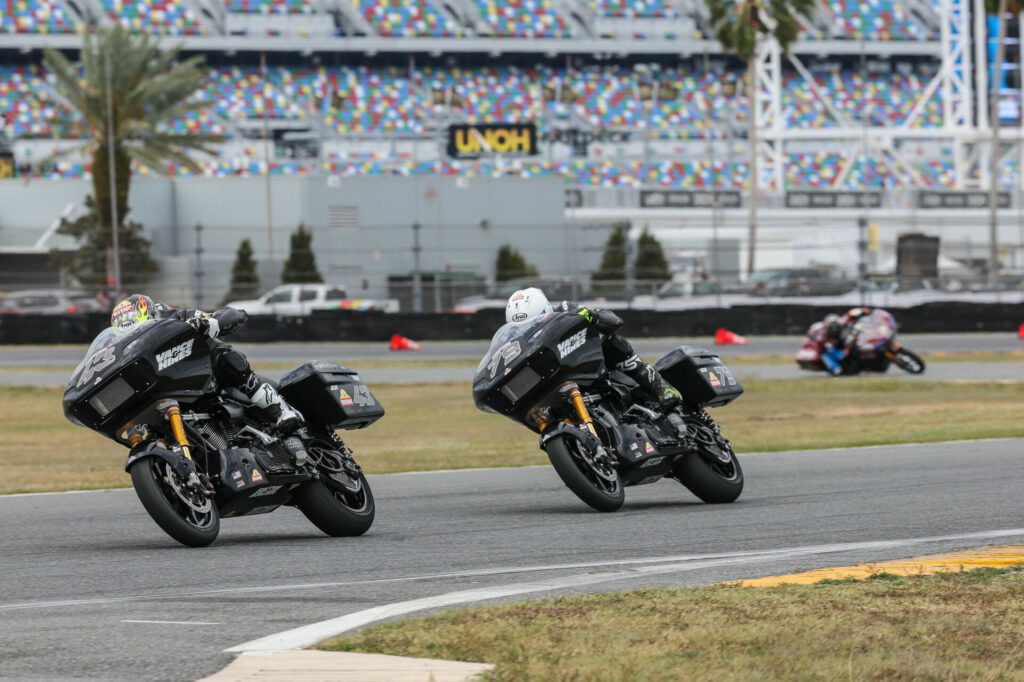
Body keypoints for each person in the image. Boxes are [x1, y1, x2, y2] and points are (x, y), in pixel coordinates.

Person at [109, 294, 304, 433]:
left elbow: (233, 315)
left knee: (229, 361)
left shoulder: (176, 317)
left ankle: (282, 411)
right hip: (170, 389)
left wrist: (208, 323)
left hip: (205, 375)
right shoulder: (129, 350)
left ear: (152, 315)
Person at [505, 288, 687, 436]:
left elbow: (614, 321)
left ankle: (663, 389)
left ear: (545, 311)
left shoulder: (565, 310)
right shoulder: (516, 344)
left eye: (534, 323)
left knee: (610, 343)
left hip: (593, 367)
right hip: (558, 384)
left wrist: (589, 315)